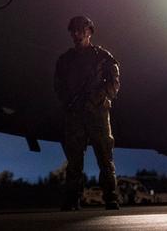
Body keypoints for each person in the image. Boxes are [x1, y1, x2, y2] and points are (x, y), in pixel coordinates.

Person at [54, 14, 120, 211]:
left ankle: (111, 198)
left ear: (89, 32)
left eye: (80, 30)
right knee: (74, 160)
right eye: (73, 31)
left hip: (97, 113)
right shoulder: (65, 60)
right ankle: (72, 199)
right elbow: (59, 85)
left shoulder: (103, 57)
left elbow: (114, 83)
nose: (76, 34)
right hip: (75, 114)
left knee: (105, 157)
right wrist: (69, 103)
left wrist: (99, 98)